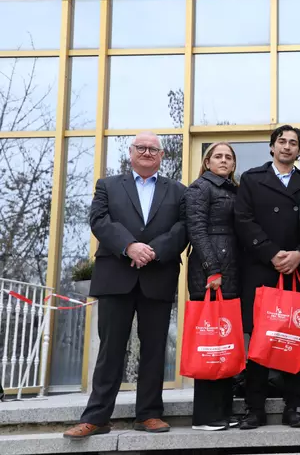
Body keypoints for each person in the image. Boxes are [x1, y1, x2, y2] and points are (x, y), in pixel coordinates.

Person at [64, 131, 187, 439]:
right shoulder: (107, 185)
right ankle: (97, 417)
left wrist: (154, 250)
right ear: (130, 152)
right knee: (111, 349)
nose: (147, 152)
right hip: (116, 276)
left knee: (155, 348)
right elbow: (99, 220)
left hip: (157, 276)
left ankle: (148, 413)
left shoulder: (178, 191)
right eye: (141, 148)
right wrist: (130, 246)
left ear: (162, 156)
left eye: (153, 149)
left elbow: (182, 228)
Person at [234, 125, 300, 430]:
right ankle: (254, 409)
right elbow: (243, 219)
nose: (287, 147)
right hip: (261, 269)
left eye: (293, 143)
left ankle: (294, 406)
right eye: (282, 141)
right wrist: (271, 253)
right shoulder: (252, 180)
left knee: (292, 339)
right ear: (272, 147)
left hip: (297, 271)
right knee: (259, 341)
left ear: (299, 151)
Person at [185, 142, 240, 431]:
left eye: (228, 157)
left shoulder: (233, 189)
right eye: (217, 156)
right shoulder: (199, 188)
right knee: (209, 343)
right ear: (207, 162)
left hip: (232, 272)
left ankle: (223, 411)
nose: (223, 160)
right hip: (211, 275)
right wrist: (212, 270)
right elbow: (196, 230)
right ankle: (205, 416)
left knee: (226, 342)